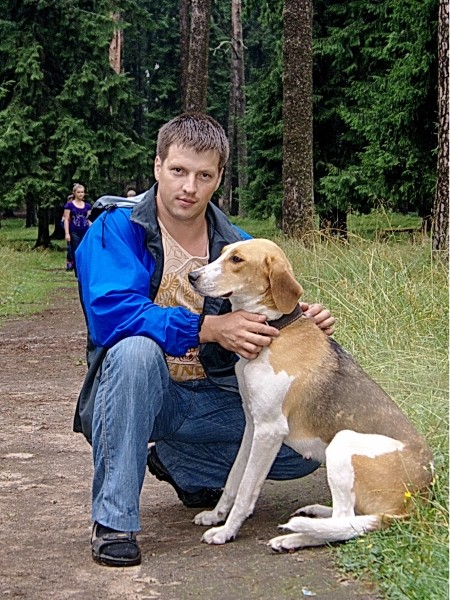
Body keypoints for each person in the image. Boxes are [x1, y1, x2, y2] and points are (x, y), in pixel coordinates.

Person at [74, 113, 336, 568]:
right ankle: (114, 520)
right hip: (137, 395)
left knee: (301, 450)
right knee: (135, 351)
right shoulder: (117, 227)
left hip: (213, 398)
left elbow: (268, 308)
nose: (189, 187)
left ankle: (183, 464)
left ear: (218, 178)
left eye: (204, 176)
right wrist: (207, 328)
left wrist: (299, 320)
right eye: (178, 170)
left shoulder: (237, 244)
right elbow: (111, 314)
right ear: (158, 166)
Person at [63, 184, 91, 276]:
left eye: (82, 192)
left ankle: (85, 271)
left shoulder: (87, 206)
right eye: (78, 192)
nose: (80, 194)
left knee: (85, 251)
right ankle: (77, 271)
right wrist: (67, 233)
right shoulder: (69, 205)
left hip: (85, 231)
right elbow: (66, 219)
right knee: (76, 251)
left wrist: (92, 229)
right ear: (74, 193)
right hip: (74, 232)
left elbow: (89, 219)